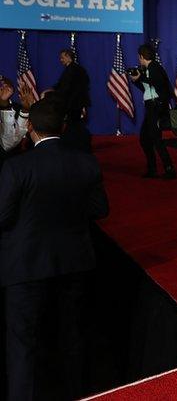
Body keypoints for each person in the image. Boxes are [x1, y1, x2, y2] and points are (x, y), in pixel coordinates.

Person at [0, 97, 109, 400]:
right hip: (74, 264)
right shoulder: (86, 161)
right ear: (62, 126)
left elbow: (2, 217)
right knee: (72, 339)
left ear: (30, 127)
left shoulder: (16, 167)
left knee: (23, 346)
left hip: (25, 268)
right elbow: (100, 209)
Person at [129, 44, 177, 179]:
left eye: (139, 57)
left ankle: (169, 169)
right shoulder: (148, 69)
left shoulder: (155, 68)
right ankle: (152, 168)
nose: (139, 60)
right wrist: (136, 80)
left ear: (141, 56)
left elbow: (157, 84)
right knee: (144, 139)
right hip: (150, 107)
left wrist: (141, 78)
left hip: (157, 107)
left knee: (156, 139)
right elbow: (147, 88)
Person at [52, 48, 92, 152]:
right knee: (76, 124)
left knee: (73, 124)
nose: (60, 60)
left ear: (68, 57)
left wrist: (54, 92)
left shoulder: (72, 70)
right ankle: (79, 142)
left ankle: (74, 143)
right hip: (76, 102)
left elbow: (66, 87)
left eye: (62, 57)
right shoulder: (78, 69)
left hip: (73, 103)